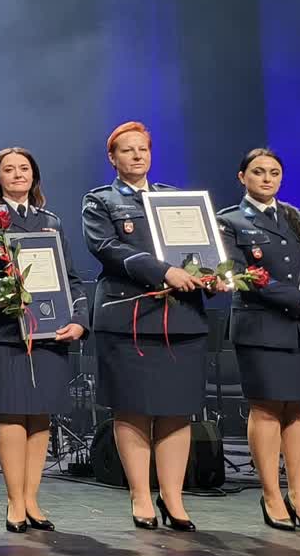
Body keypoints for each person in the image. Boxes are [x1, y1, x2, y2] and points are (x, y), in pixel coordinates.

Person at [82, 121, 209, 532]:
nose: (137, 156)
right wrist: (165, 271)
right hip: (128, 316)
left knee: (177, 411)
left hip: (180, 318)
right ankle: (140, 494)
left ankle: (173, 497)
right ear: (112, 158)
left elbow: (201, 250)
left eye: (143, 150)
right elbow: (107, 248)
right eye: (127, 150)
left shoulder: (176, 199)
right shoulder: (99, 201)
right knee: (133, 409)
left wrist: (212, 272)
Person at [0, 147, 87, 533]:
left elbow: (71, 278)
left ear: (34, 176)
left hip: (49, 330)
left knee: (40, 414)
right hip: (4, 331)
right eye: (9, 170)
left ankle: (33, 499)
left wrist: (79, 319)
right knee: (12, 412)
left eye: (24, 168)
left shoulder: (51, 221)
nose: (17, 175)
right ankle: (14, 501)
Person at [216, 148, 300, 532]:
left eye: (275, 172)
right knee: (266, 410)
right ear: (241, 177)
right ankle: (271, 495)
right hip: (261, 326)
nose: (267, 179)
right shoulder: (228, 221)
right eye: (259, 172)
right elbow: (238, 274)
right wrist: (295, 297)